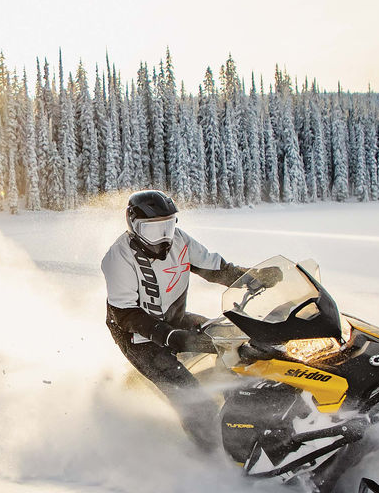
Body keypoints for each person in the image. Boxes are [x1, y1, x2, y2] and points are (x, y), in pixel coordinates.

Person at [101, 190, 274, 452]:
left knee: (233, 340)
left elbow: (217, 269)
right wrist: (168, 336)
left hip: (174, 318)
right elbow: (124, 314)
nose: (163, 239)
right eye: (152, 230)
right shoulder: (119, 258)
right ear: (133, 227)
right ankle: (217, 455)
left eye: (168, 227)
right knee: (190, 396)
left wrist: (251, 277)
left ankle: (250, 407)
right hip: (137, 336)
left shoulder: (180, 242)